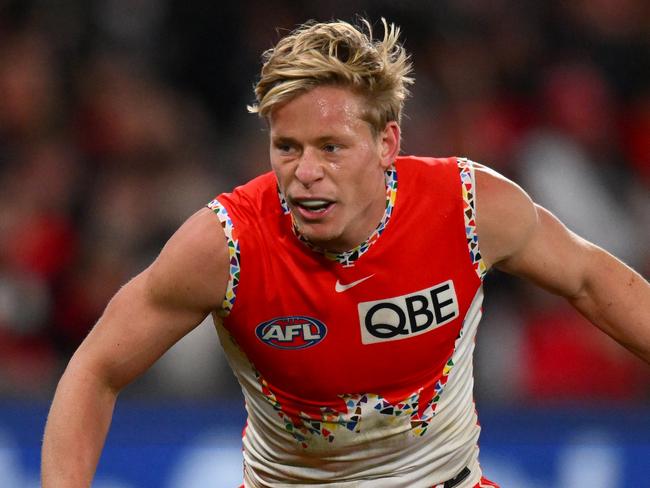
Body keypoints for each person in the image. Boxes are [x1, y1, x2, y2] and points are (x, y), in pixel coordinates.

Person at [41, 18, 650, 488]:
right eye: (287, 147)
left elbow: (592, 280)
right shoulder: (224, 245)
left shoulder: (468, 208)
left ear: (388, 143)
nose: (305, 172)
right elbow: (94, 370)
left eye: (331, 147)